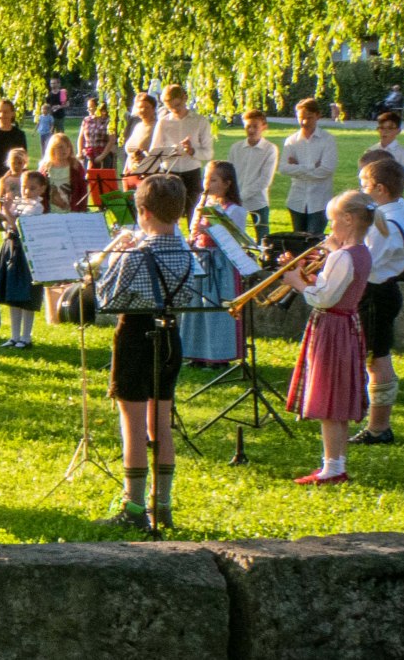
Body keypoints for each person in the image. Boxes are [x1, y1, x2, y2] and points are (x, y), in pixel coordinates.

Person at [93, 174, 198, 531]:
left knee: (134, 427)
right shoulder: (186, 252)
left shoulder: (135, 255)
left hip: (136, 335)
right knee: (162, 425)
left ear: (143, 212)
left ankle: (134, 507)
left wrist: (111, 253)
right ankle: (163, 504)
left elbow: (106, 299)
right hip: (171, 337)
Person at [282, 190, 377, 485]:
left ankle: (333, 468)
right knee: (336, 401)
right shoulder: (361, 253)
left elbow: (323, 299)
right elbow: (331, 289)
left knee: (329, 398)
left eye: (333, 222)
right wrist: (311, 277)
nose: (329, 229)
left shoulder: (342, 257)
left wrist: (298, 283)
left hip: (332, 328)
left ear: (348, 220)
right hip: (346, 326)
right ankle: (335, 464)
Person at [351, 159, 404, 446]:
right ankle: (375, 422)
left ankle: (378, 427)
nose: (361, 191)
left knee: (377, 359)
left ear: (380, 189)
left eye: (365, 186)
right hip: (379, 290)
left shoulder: (385, 222)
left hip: (376, 292)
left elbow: (365, 262)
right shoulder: (397, 207)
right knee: (374, 356)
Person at [186, 161, 247, 367]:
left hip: (222, 265)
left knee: (217, 308)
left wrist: (209, 231)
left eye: (213, 180)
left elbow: (233, 240)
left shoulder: (235, 210)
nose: (207, 184)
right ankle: (197, 353)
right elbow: (195, 234)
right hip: (202, 260)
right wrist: (193, 237)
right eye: (206, 179)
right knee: (198, 306)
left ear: (227, 183)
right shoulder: (204, 206)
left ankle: (220, 356)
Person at [0, 170, 48, 349]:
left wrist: (7, 212)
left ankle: (26, 337)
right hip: (11, 248)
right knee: (12, 295)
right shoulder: (19, 204)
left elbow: (20, 226)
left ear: (42, 190)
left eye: (32, 188)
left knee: (25, 295)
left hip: (26, 253)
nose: (27, 192)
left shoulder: (36, 208)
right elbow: (5, 222)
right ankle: (14, 336)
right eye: (24, 187)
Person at [149, 85, 213, 217]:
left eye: (177, 105)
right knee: (169, 216)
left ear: (184, 98)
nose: (175, 110)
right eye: (170, 107)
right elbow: (154, 152)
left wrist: (192, 151)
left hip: (192, 173)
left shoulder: (199, 121)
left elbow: (208, 153)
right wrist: (171, 151)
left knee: (194, 215)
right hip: (170, 173)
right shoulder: (163, 122)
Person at [280, 98, 338, 235]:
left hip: (319, 201)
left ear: (318, 116)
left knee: (313, 241)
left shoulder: (328, 140)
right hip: (297, 200)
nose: (304, 122)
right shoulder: (291, 141)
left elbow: (326, 170)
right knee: (298, 241)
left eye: (309, 118)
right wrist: (313, 166)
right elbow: (283, 168)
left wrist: (297, 168)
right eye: (301, 118)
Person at [229, 109, 279, 241]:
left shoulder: (270, 149)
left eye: (255, 126)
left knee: (263, 237)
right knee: (234, 235)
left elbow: (265, 180)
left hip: (258, 200)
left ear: (264, 127)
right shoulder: (236, 148)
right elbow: (229, 173)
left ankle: (264, 260)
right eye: (247, 127)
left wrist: (242, 195)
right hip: (236, 200)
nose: (251, 130)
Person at [120, 92, 161, 190]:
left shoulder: (157, 127)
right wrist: (126, 171)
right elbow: (130, 151)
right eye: (140, 107)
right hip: (130, 173)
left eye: (147, 107)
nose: (143, 110)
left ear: (153, 109)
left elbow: (157, 152)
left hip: (146, 175)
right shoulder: (138, 126)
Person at [366, 112, 404, 179]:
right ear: (378, 130)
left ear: (398, 131)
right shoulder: (371, 151)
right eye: (382, 128)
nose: (385, 132)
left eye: (390, 128)